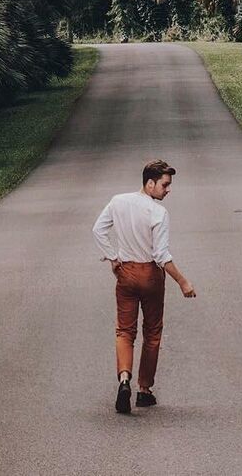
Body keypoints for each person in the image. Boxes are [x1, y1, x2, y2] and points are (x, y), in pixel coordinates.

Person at [92, 159, 196, 414]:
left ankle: (124, 379)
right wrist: (183, 282)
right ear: (150, 183)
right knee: (152, 333)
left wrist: (113, 257)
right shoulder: (158, 213)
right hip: (150, 275)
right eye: (164, 184)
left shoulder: (118, 201)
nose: (168, 190)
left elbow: (98, 230)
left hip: (126, 272)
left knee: (125, 331)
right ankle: (144, 389)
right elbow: (161, 254)